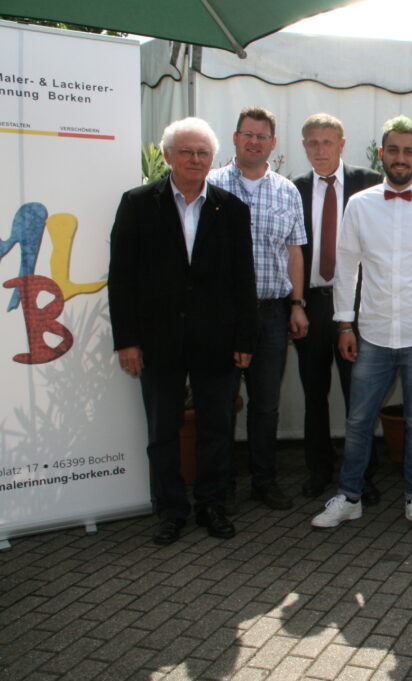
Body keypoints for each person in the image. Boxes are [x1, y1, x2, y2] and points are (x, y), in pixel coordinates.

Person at [310, 116, 412, 534]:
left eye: (408, 151)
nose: (400, 158)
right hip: (374, 333)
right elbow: (346, 268)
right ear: (382, 153)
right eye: (393, 150)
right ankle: (350, 497)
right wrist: (344, 325)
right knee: (358, 420)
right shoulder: (360, 205)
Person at [108, 117, 257, 545]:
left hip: (217, 341)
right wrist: (127, 341)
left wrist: (245, 339)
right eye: (187, 151)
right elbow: (121, 278)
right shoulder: (138, 204)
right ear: (168, 155)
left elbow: (243, 280)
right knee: (162, 430)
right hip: (158, 341)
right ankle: (171, 510)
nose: (195, 159)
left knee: (216, 429)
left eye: (203, 152)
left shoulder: (231, 209)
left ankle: (212, 505)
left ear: (213, 158)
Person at [207, 106, 308, 511]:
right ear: (235, 138)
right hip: (223, 315)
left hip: (271, 313)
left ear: (273, 143)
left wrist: (297, 304)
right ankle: (222, 486)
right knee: (221, 402)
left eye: (261, 136)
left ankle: (264, 481)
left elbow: (295, 252)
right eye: (247, 135)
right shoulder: (211, 185)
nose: (254, 142)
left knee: (266, 404)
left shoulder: (287, 191)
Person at [292, 114, 383, 503]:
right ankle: (319, 470)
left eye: (327, 142)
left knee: (358, 395)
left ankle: (361, 474)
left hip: (358, 306)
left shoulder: (370, 183)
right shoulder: (293, 189)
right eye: (312, 142)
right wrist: (295, 303)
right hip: (311, 303)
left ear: (342, 144)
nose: (320, 150)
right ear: (303, 146)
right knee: (314, 393)